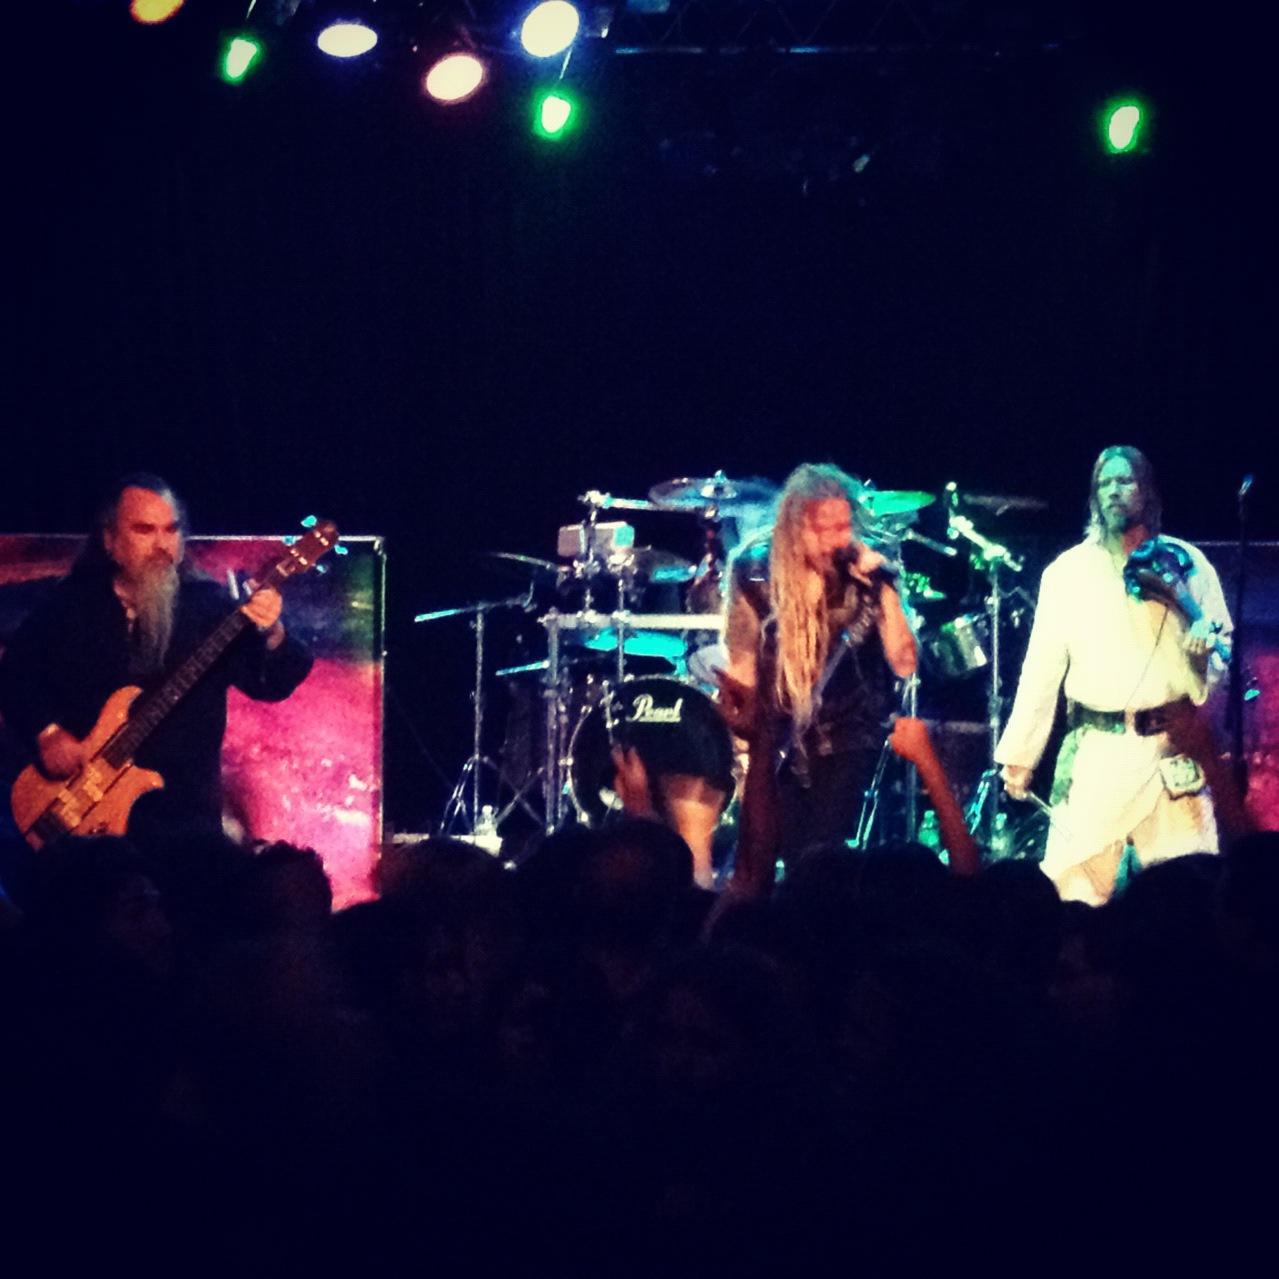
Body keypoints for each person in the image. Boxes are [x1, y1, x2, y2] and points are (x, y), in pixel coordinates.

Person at [0, 474, 313, 850]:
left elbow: (272, 683)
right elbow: (14, 673)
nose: (162, 544)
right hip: (82, 823)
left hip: (185, 825)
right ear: (110, 541)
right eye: (145, 530)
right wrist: (48, 733)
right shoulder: (71, 605)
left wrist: (273, 632)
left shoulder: (210, 607)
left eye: (171, 529)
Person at [996, 446, 1231, 905]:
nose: (1113, 491)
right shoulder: (1067, 573)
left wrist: (1203, 657)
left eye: (1125, 481)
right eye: (1104, 483)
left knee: (1187, 900)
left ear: (1147, 491)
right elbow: (1040, 671)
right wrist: (1020, 756)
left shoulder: (1188, 564)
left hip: (1171, 755)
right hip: (1098, 755)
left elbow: (1222, 654)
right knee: (1075, 895)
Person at [717, 463, 917, 866]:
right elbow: (742, 665)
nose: (835, 541)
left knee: (821, 857)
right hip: (777, 736)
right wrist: (744, 754)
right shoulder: (753, 571)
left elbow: (904, 663)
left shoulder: (866, 573)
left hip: (848, 732)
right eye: (823, 530)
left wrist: (886, 591)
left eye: (843, 527)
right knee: (781, 853)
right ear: (794, 527)